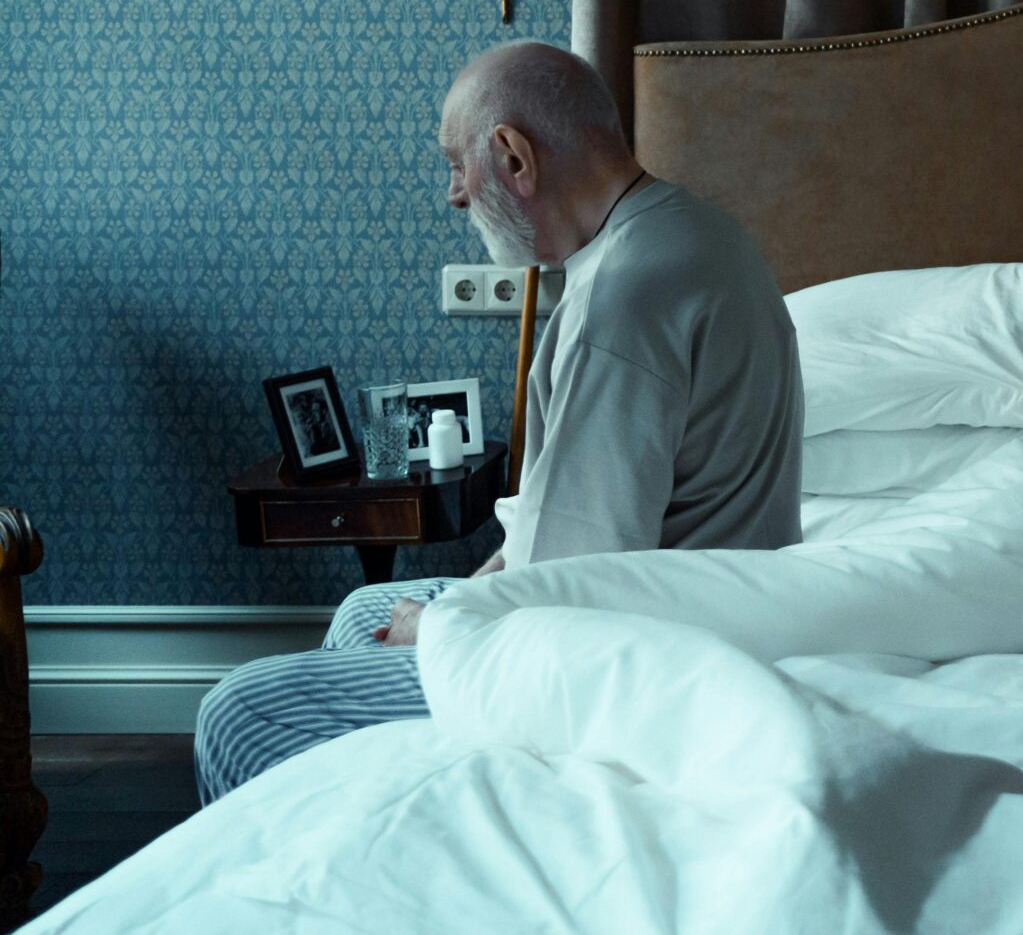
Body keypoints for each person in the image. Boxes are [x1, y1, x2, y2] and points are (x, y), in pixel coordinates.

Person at [194, 42, 804, 803]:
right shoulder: (694, 235)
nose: (453, 193)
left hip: (634, 660)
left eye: (457, 162)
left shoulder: (623, 299)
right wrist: (442, 613)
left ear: (515, 156)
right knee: (364, 610)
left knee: (237, 714)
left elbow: (564, 590)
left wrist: (444, 628)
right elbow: (542, 537)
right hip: (686, 612)